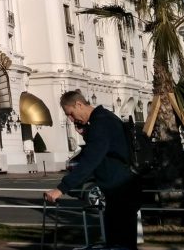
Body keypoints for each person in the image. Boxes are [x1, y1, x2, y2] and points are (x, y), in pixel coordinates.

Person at [44, 90, 140, 250]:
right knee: (121, 242)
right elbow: (106, 151)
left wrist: (61, 189)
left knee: (119, 243)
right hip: (121, 189)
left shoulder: (100, 123)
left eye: (71, 113)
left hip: (120, 190)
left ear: (79, 104)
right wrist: (87, 135)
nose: (71, 119)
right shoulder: (106, 119)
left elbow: (91, 160)